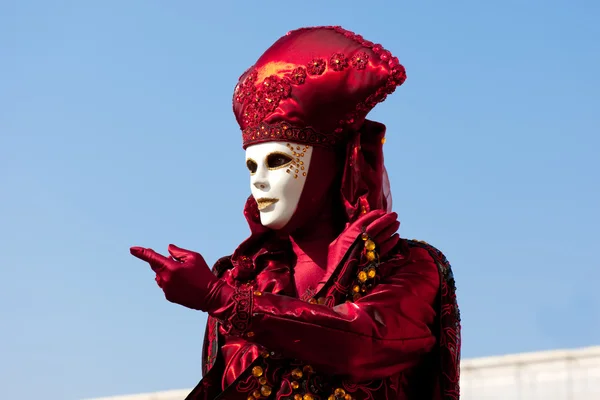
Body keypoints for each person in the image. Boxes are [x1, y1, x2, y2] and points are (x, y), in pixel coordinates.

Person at [130, 26, 461, 400]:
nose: (259, 182)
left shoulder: (408, 266)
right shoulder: (246, 278)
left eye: (277, 161)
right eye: (251, 167)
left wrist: (218, 299)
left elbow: (360, 343)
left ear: (333, 165)